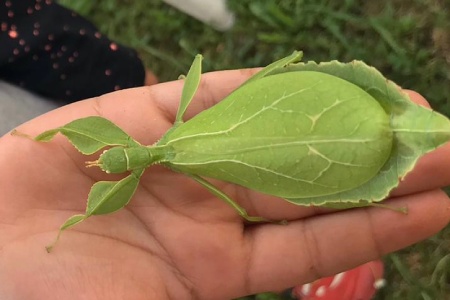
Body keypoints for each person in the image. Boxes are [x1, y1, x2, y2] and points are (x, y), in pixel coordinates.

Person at [0, 69, 449, 300]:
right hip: (290, 138)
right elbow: (193, 72)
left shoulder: (169, 155)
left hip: (336, 118)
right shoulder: (172, 142)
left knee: (265, 201)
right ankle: (375, 199)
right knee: (270, 196)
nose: (108, 159)